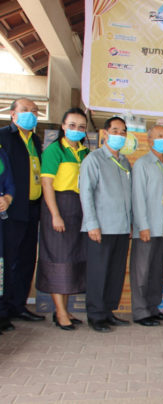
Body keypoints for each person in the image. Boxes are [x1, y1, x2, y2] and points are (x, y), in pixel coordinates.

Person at [37, 108, 90, 331]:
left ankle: (65, 310)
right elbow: (47, 184)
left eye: (81, 127)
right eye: (72, 125)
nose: (76, 130)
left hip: (77, 209)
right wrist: (55, 215)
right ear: (63, 126)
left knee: (71, 261)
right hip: (59, 206)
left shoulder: (84, 152)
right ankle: (59, 312)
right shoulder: (54, 150)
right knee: (57, 260)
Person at [79, 116, 132, 333]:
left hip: (121, 227)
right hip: (100, 228)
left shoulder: (125, 162)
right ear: (106, 133)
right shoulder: (94, 159)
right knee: (98, 273)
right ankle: (96, 316)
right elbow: (86, 193)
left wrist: (130, 223)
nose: (120, 135)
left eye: (123, 132)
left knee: (115, 273)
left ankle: (108, 311)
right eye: (115, 131)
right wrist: (92, 224)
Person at [0, 98, 45, 332]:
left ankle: (18, 305)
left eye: (35, 111)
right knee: (8, 261)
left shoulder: (35, 140)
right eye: (25, 110)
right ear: (13, 114)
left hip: (32, 208)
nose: (31, 114)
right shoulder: (3, 137)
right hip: (10, 210)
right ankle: (2, 310)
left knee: (27, 259)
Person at [130, 125, 163, 327]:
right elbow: (137, 197)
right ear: (149, 140)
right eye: (160, 136)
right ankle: (140, 312)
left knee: (157, 272)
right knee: (142, 272)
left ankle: (153, 308)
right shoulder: (142, 164)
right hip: (147, 228)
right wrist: (142, 226)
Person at [0, 145, 15, 335]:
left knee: (1, 265)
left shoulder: (2, 152)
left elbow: (10, 183)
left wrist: (7, 199)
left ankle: (2, 312)